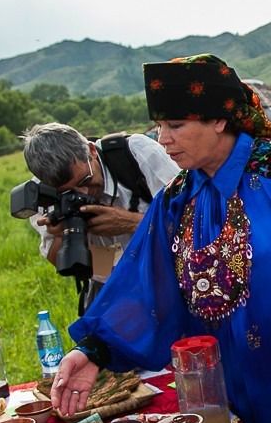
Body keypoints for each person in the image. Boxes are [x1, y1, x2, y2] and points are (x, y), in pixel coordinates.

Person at [50, 55, 271, 423]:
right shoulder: (176, 198)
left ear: (219, 120)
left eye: (175, 124)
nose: (163, 139)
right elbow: (145, 282)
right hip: (223, 398)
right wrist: (93, 352)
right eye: (159, 126)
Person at [21, 123, 180, 314]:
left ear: (91, 150)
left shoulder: (137, 154)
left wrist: (131, 222)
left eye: (85, 180)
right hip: (114, 300)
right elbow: (76, 267)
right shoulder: (43, 194)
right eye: (69, 192)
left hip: (172, 282)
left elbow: (193, 220)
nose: (85, 192)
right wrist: (63, 235)